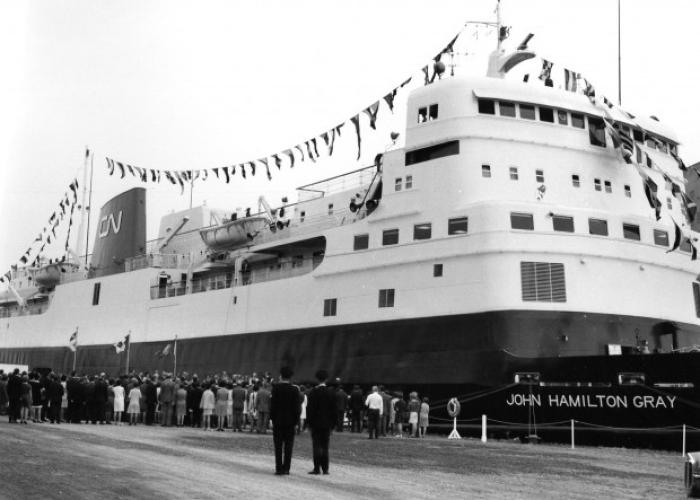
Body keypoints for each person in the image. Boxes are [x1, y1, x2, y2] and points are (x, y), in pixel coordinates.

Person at [270, 366, 301, 475]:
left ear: (281, 375)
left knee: (278, 446)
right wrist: (296, 422)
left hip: (278, 421)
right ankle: (286, 468)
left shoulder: (276, 388)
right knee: (289, 445)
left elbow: (273, 406)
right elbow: (297, 408)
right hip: (290, 421)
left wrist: (272, 419)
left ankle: (279, 468)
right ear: (290, 377)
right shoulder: (294, 389)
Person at [305, 369, 336, 475]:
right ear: (326, 379)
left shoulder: (313, 392)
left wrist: (308, 423)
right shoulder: (331, 392)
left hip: (316, 423)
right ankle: (325, 468)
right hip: (327, 423)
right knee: (325, 446)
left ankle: (317, 468)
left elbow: (310, 409)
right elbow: (334, 410)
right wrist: (333, 424)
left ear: (317, 379)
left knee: (317, 446)